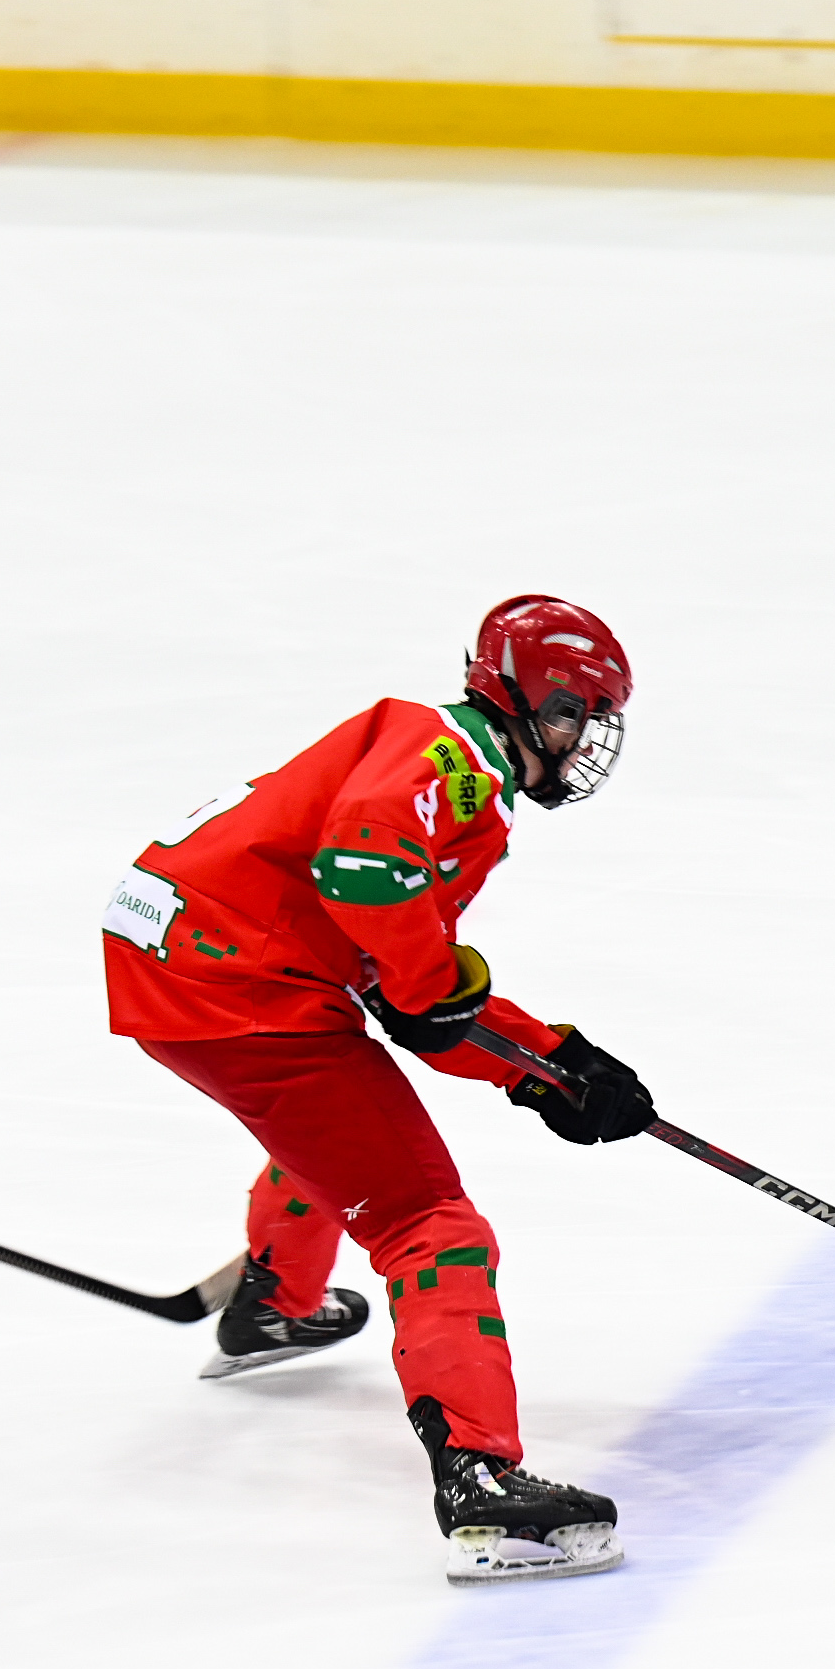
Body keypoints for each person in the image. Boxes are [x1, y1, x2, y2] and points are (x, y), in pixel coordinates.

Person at [102, 595, 653, 1581]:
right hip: (237, 985)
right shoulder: (454, 764)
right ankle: (480, 1480)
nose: (581, 740)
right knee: (428, 1220)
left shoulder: (430, 748)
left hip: (191, 959)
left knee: (342, 1132)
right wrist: (452, 1007)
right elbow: (366, 879)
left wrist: (551, 1066)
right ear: (526, 701)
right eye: (573, 713)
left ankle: (276, 1300)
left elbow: (405, 981)